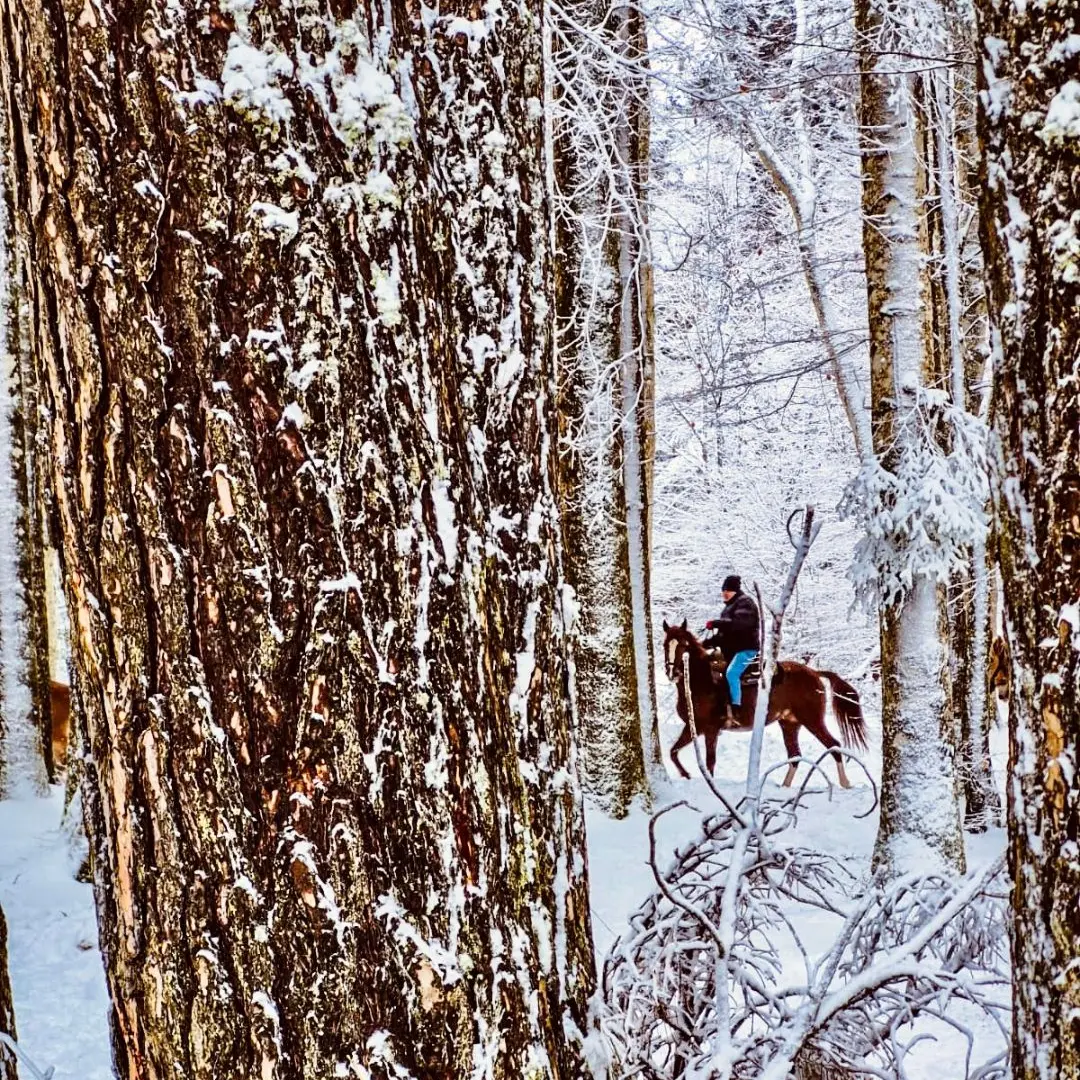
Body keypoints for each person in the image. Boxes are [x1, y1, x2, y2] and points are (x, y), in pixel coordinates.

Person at [704, 575, 761, 722]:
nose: (725, 593)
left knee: (731, 674)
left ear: (736, 590)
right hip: (731, 651)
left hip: (746, 649)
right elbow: (726, 634)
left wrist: (717, 623)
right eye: (723, 590)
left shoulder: (745, 603)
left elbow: (738, 625)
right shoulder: (729, 607)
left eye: (728, 590)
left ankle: (736, 707)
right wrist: (708, 643)